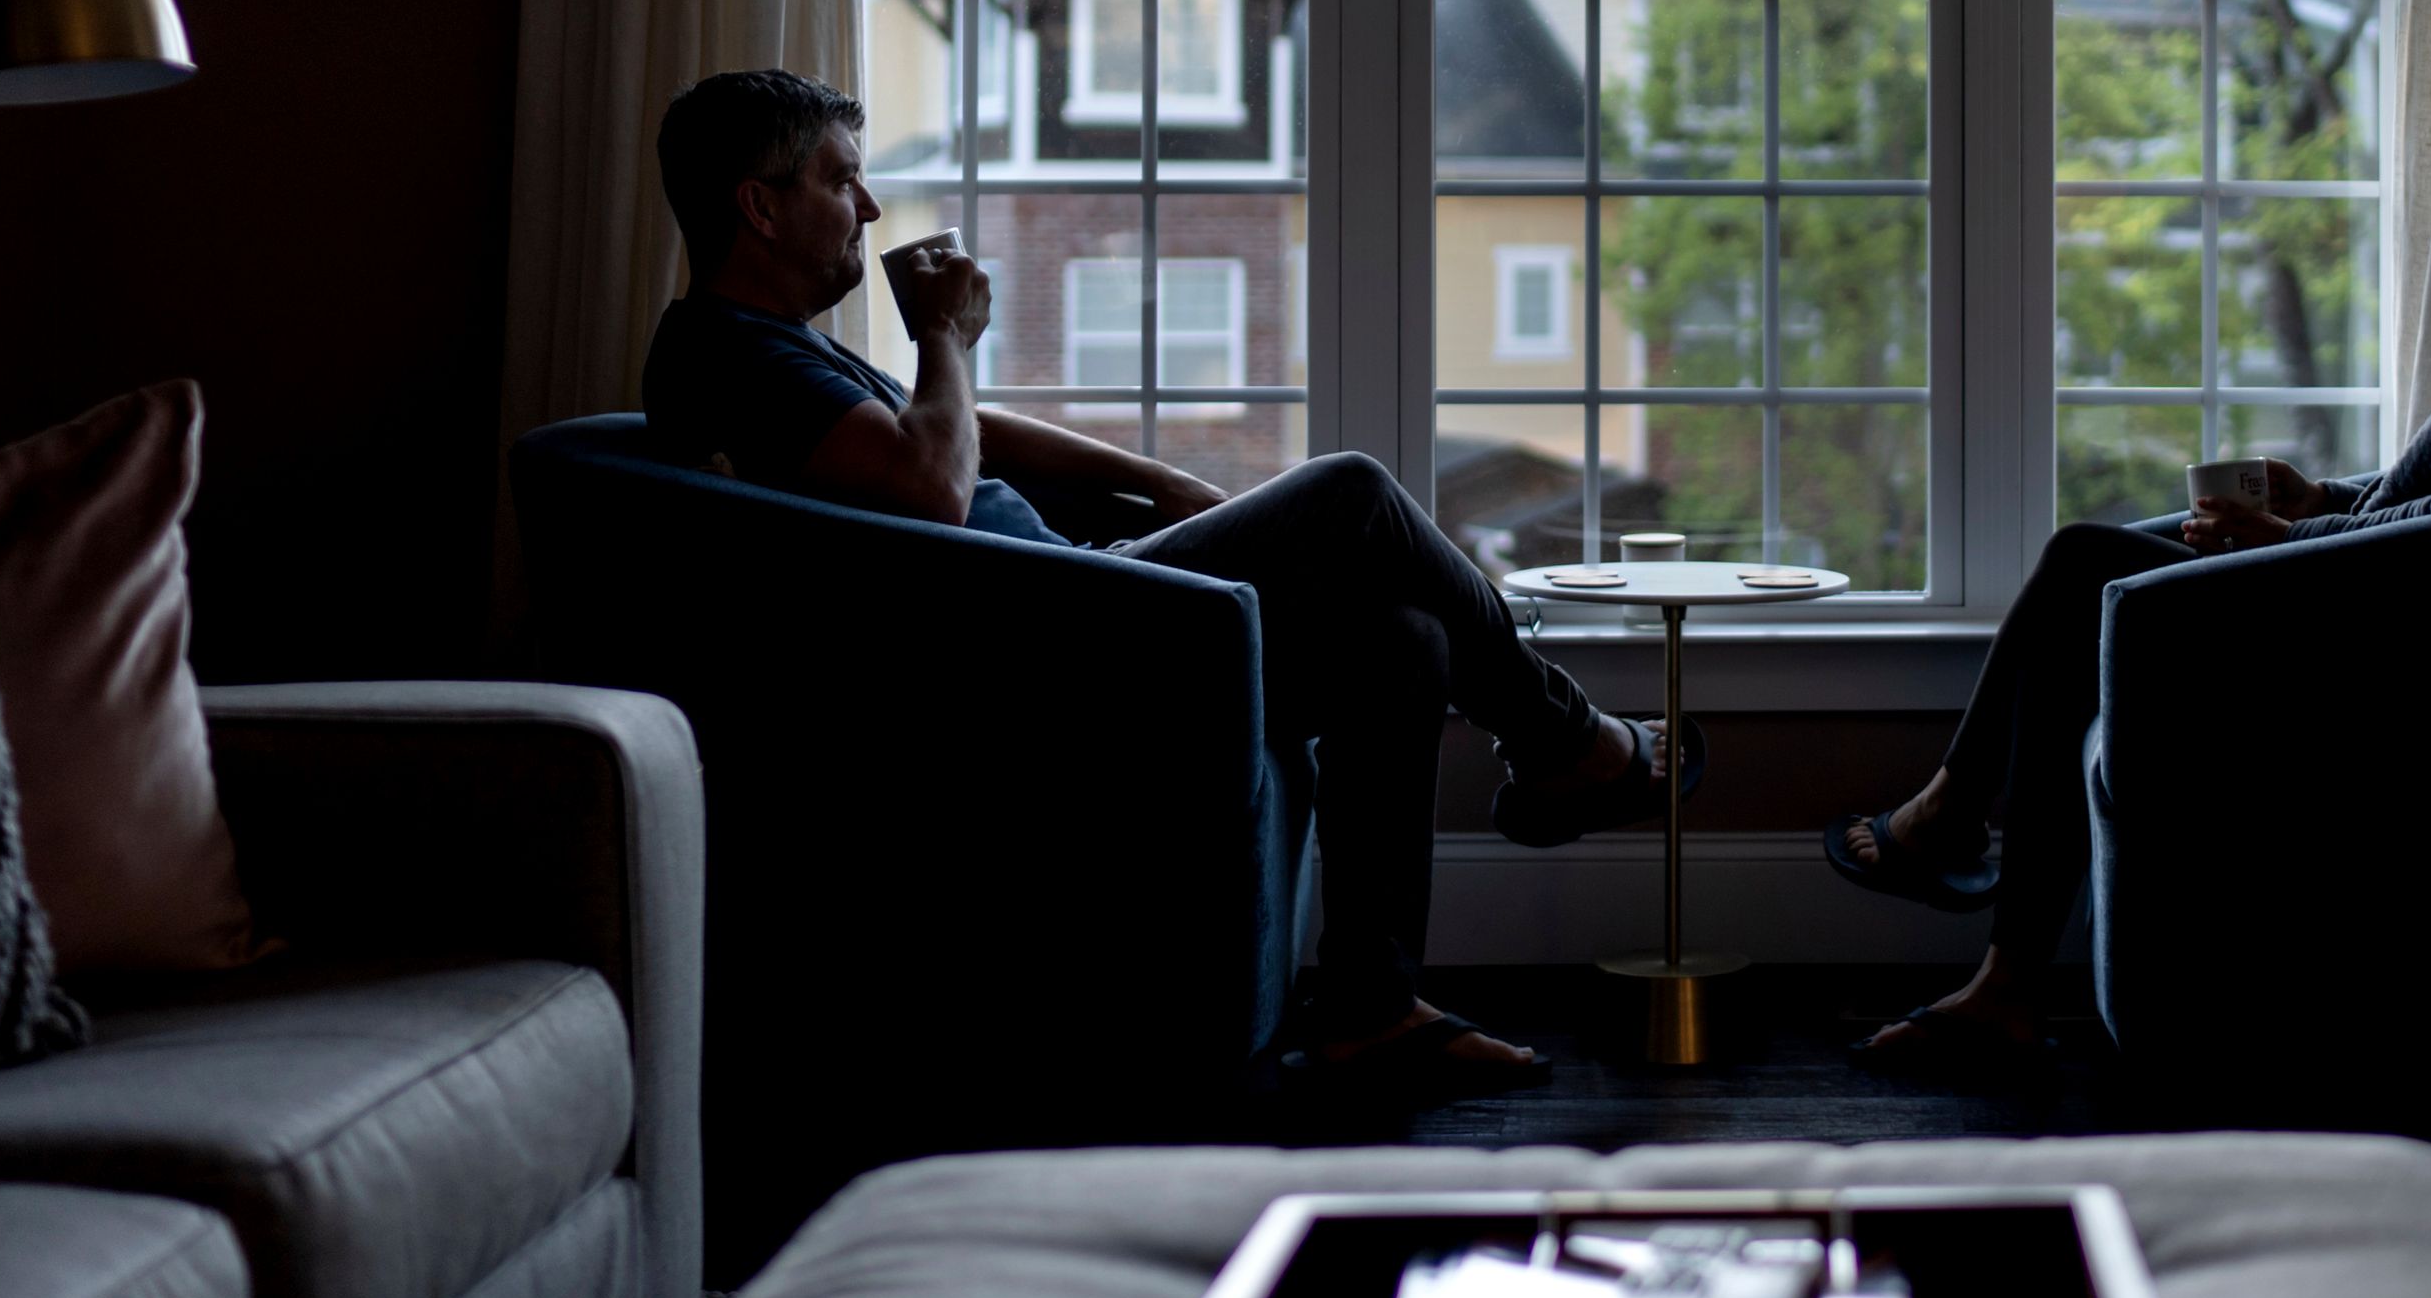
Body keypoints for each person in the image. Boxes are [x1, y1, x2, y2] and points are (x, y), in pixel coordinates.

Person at [635, 69, 1695, 1092]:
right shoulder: (727, 355)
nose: (867, 205)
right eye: (838, 180)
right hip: (1035, 656)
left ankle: (1373, 1012)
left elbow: (969, 437)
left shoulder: (780, 348)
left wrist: (1166, 482)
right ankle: (1570, 742)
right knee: (1355, 493)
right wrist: (944, 337)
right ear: (758, 207)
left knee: (1400, 638)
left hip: (1073, 609)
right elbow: (930, 484)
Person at [1821, 81, 2431, 1070]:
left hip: (2376, 639)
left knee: (2088, 560)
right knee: (2093, 569)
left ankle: (1953, 834)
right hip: (2360, 595)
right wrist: (2323, 502)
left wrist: (2284, 546)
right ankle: (1989, 947)